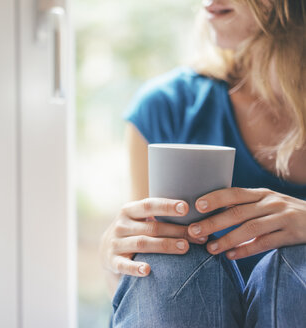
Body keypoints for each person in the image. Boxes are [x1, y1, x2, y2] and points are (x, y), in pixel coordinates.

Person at [100, 0, 306, 327]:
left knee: (298, 262)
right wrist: (117, 255)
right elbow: (137, 293)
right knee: (166, 264)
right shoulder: (167, 106)